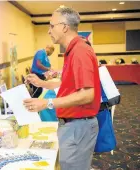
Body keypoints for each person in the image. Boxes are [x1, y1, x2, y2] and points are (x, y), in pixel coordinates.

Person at [24, 7, 101, 170]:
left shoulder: (79, 50)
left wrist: (47, 103)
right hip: (74, 125)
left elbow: (87, 94)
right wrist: (42, 83)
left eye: (51, 26)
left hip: (78, 126)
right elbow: (68, 85)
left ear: (64, 27)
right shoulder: (73, 50)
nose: (48, 31)